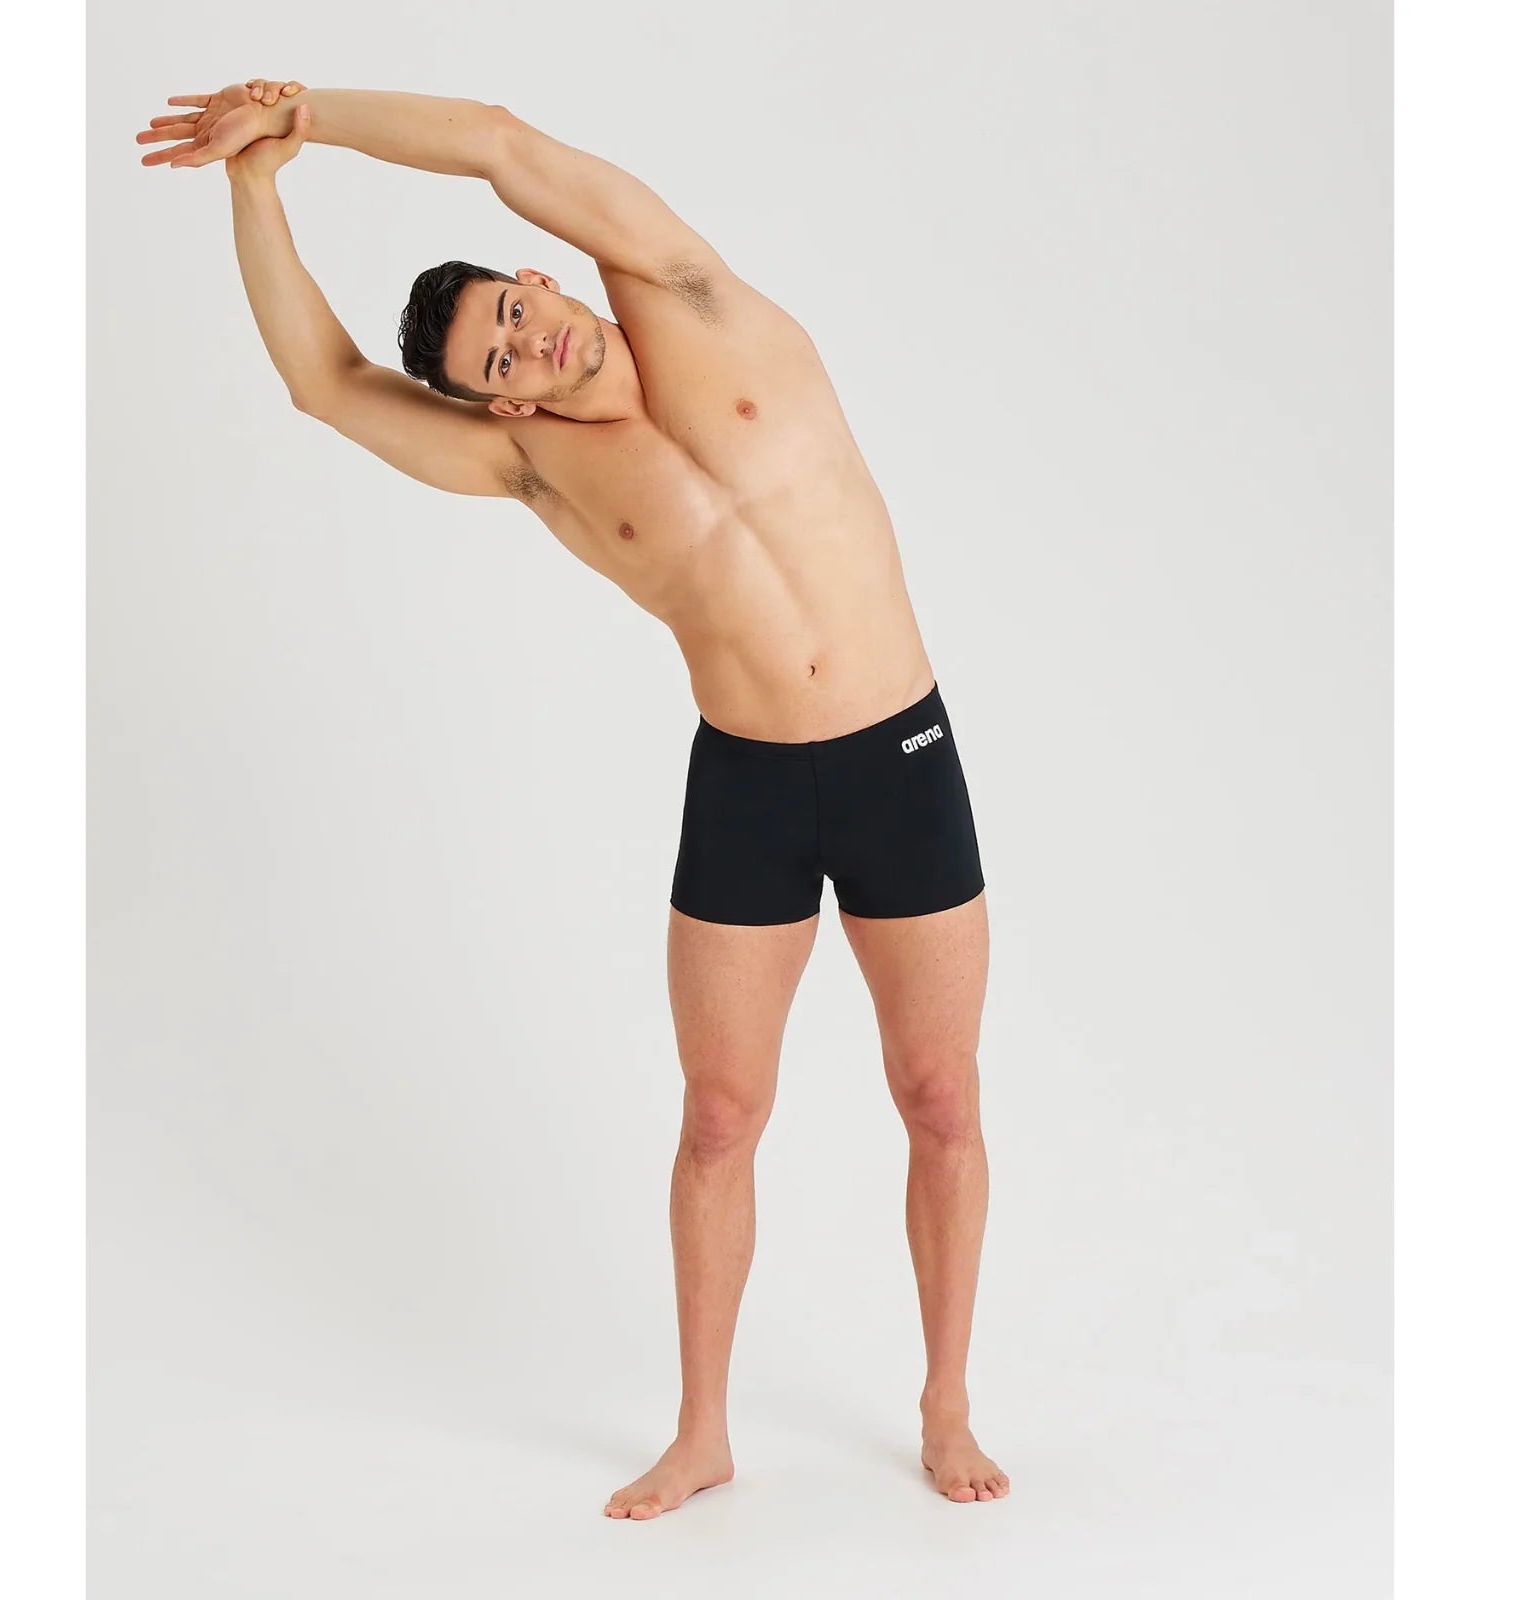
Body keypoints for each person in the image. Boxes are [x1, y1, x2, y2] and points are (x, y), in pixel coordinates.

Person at [136, 78, 1009, 1518]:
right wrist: (255, 188)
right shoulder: (535, 464)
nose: (527, 340)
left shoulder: (684, 289)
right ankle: (703, 1432)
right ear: (504, 400)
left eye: (513, 309)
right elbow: (324, 386)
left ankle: (947, 1406)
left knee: (941, 1097)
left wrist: (308, 115)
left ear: (537, 279)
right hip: (747, 782)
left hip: (897, 757)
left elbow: (499, 144)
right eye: (499, 360)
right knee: (720, 1117)